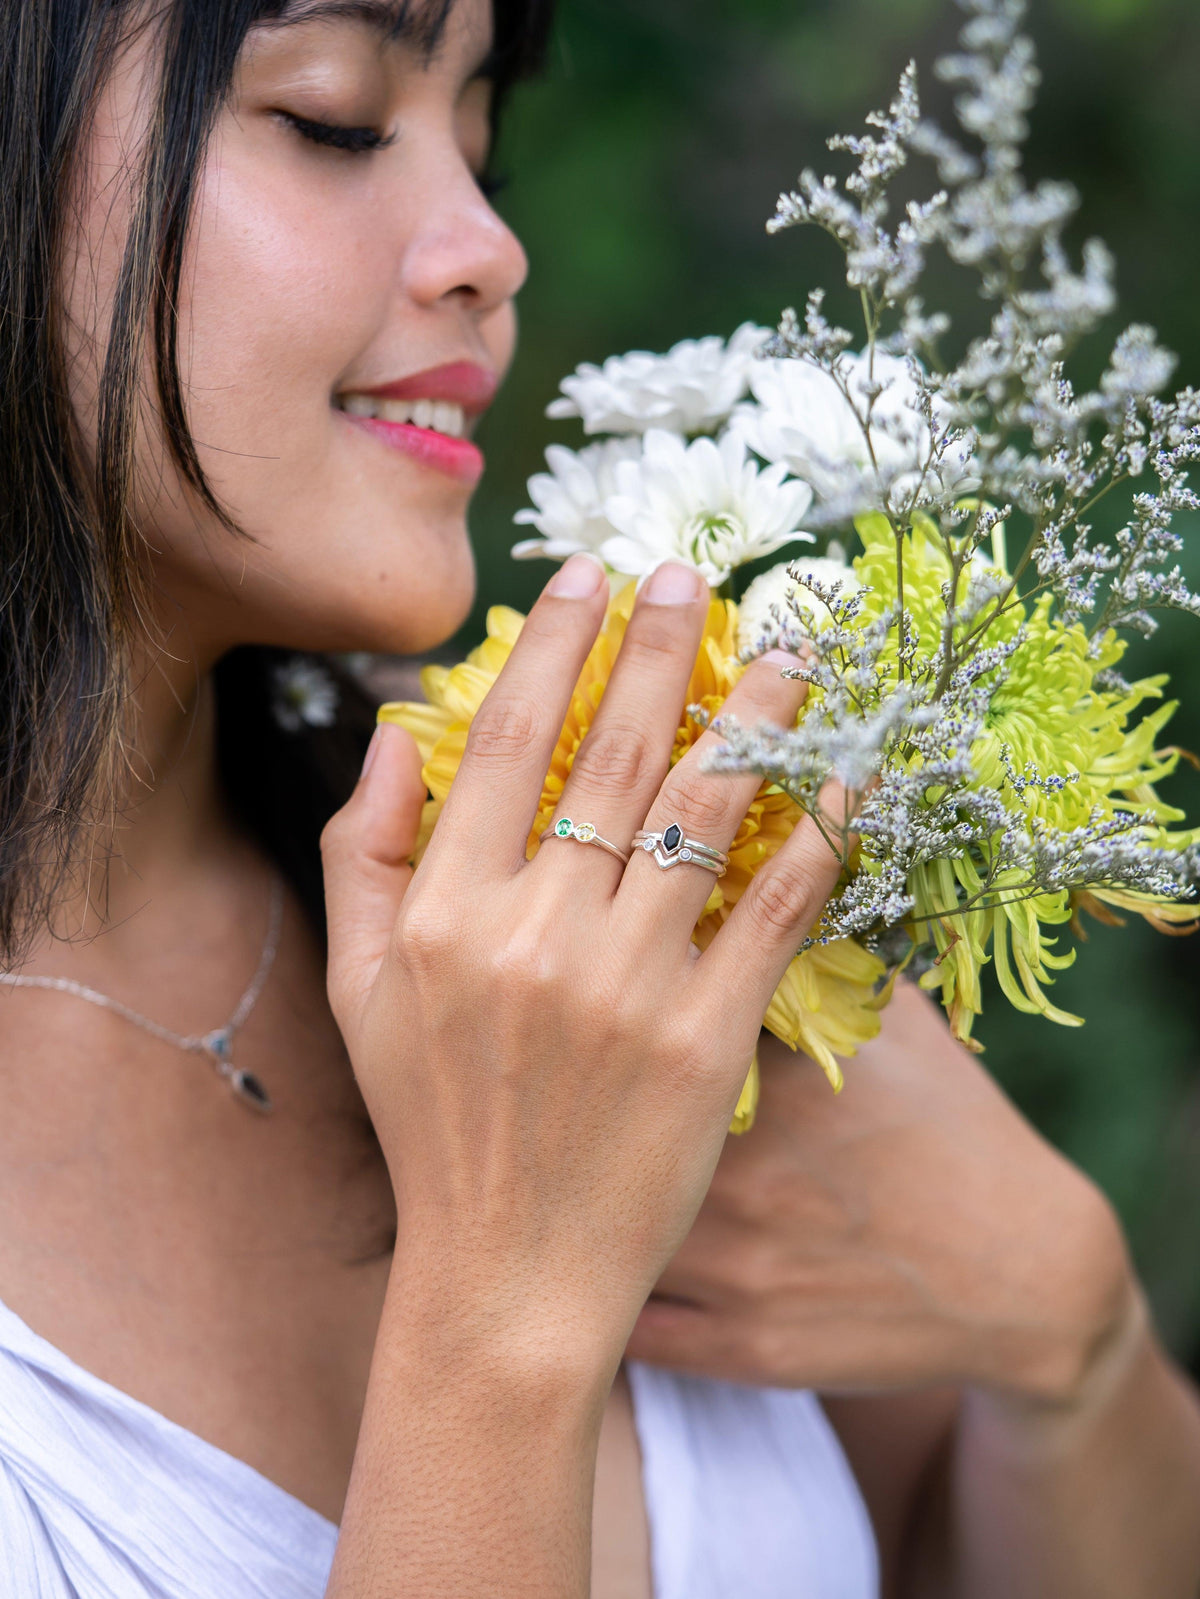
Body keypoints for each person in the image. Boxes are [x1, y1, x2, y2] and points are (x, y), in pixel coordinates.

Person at [1, 0, 1199, 1594]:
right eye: (334, 118)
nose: (487, 246)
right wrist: (511, 1305)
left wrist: (1073, 1334)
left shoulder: (571, 882)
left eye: (481, 139)